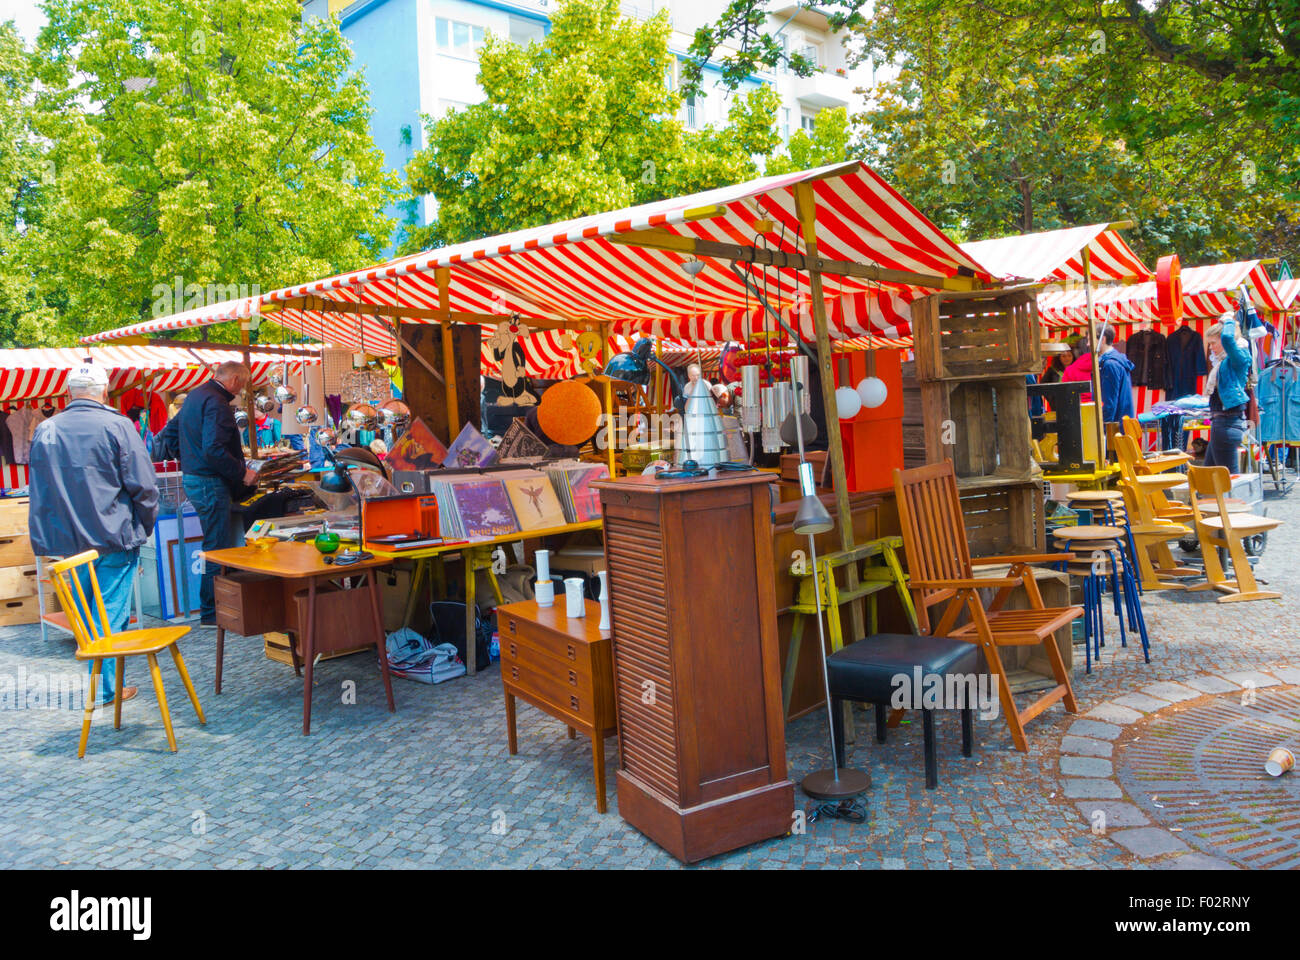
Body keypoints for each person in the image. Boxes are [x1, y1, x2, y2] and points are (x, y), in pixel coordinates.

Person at [28, 364, 159, 707]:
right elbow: (144, 486)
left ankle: (104, 687)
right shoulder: (116, 425)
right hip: (110, 535)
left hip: (67, 542)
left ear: (70, 391)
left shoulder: (46, 429)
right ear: (103, 391)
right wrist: (144, 527)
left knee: (89, 619)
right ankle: (104, 690)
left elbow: (40, 491)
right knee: (109, 620)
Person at [176, 362, 257, 625]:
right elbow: (214, 449)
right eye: (242, 385)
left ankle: (212, 609)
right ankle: (211, 612)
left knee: (214, 544)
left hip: (195, 477)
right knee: (217, 547)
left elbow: (170, 436)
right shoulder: (216, 402)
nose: (241, 390)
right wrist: (241, 473)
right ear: (234, 379)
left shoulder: (195, 396)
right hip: (208, 481)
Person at [1203, 314, 1252, 469]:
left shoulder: (1238, 358)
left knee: (1229, 479)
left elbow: (1228, 339)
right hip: (1222, 423)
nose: (1210, 347)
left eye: (1213, 343)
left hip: (1227, 424)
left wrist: (1229, 320)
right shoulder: (1224, 362)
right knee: (1210, 475)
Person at [1096, 324, 1136, 424]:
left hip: (1114, 428)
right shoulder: (1116, 360)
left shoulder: (1110, 364)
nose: (1088, 344)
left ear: (1103, 339)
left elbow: (1109, 403)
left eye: (1090, 340)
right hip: (1120, 423)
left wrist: (1102, 428)